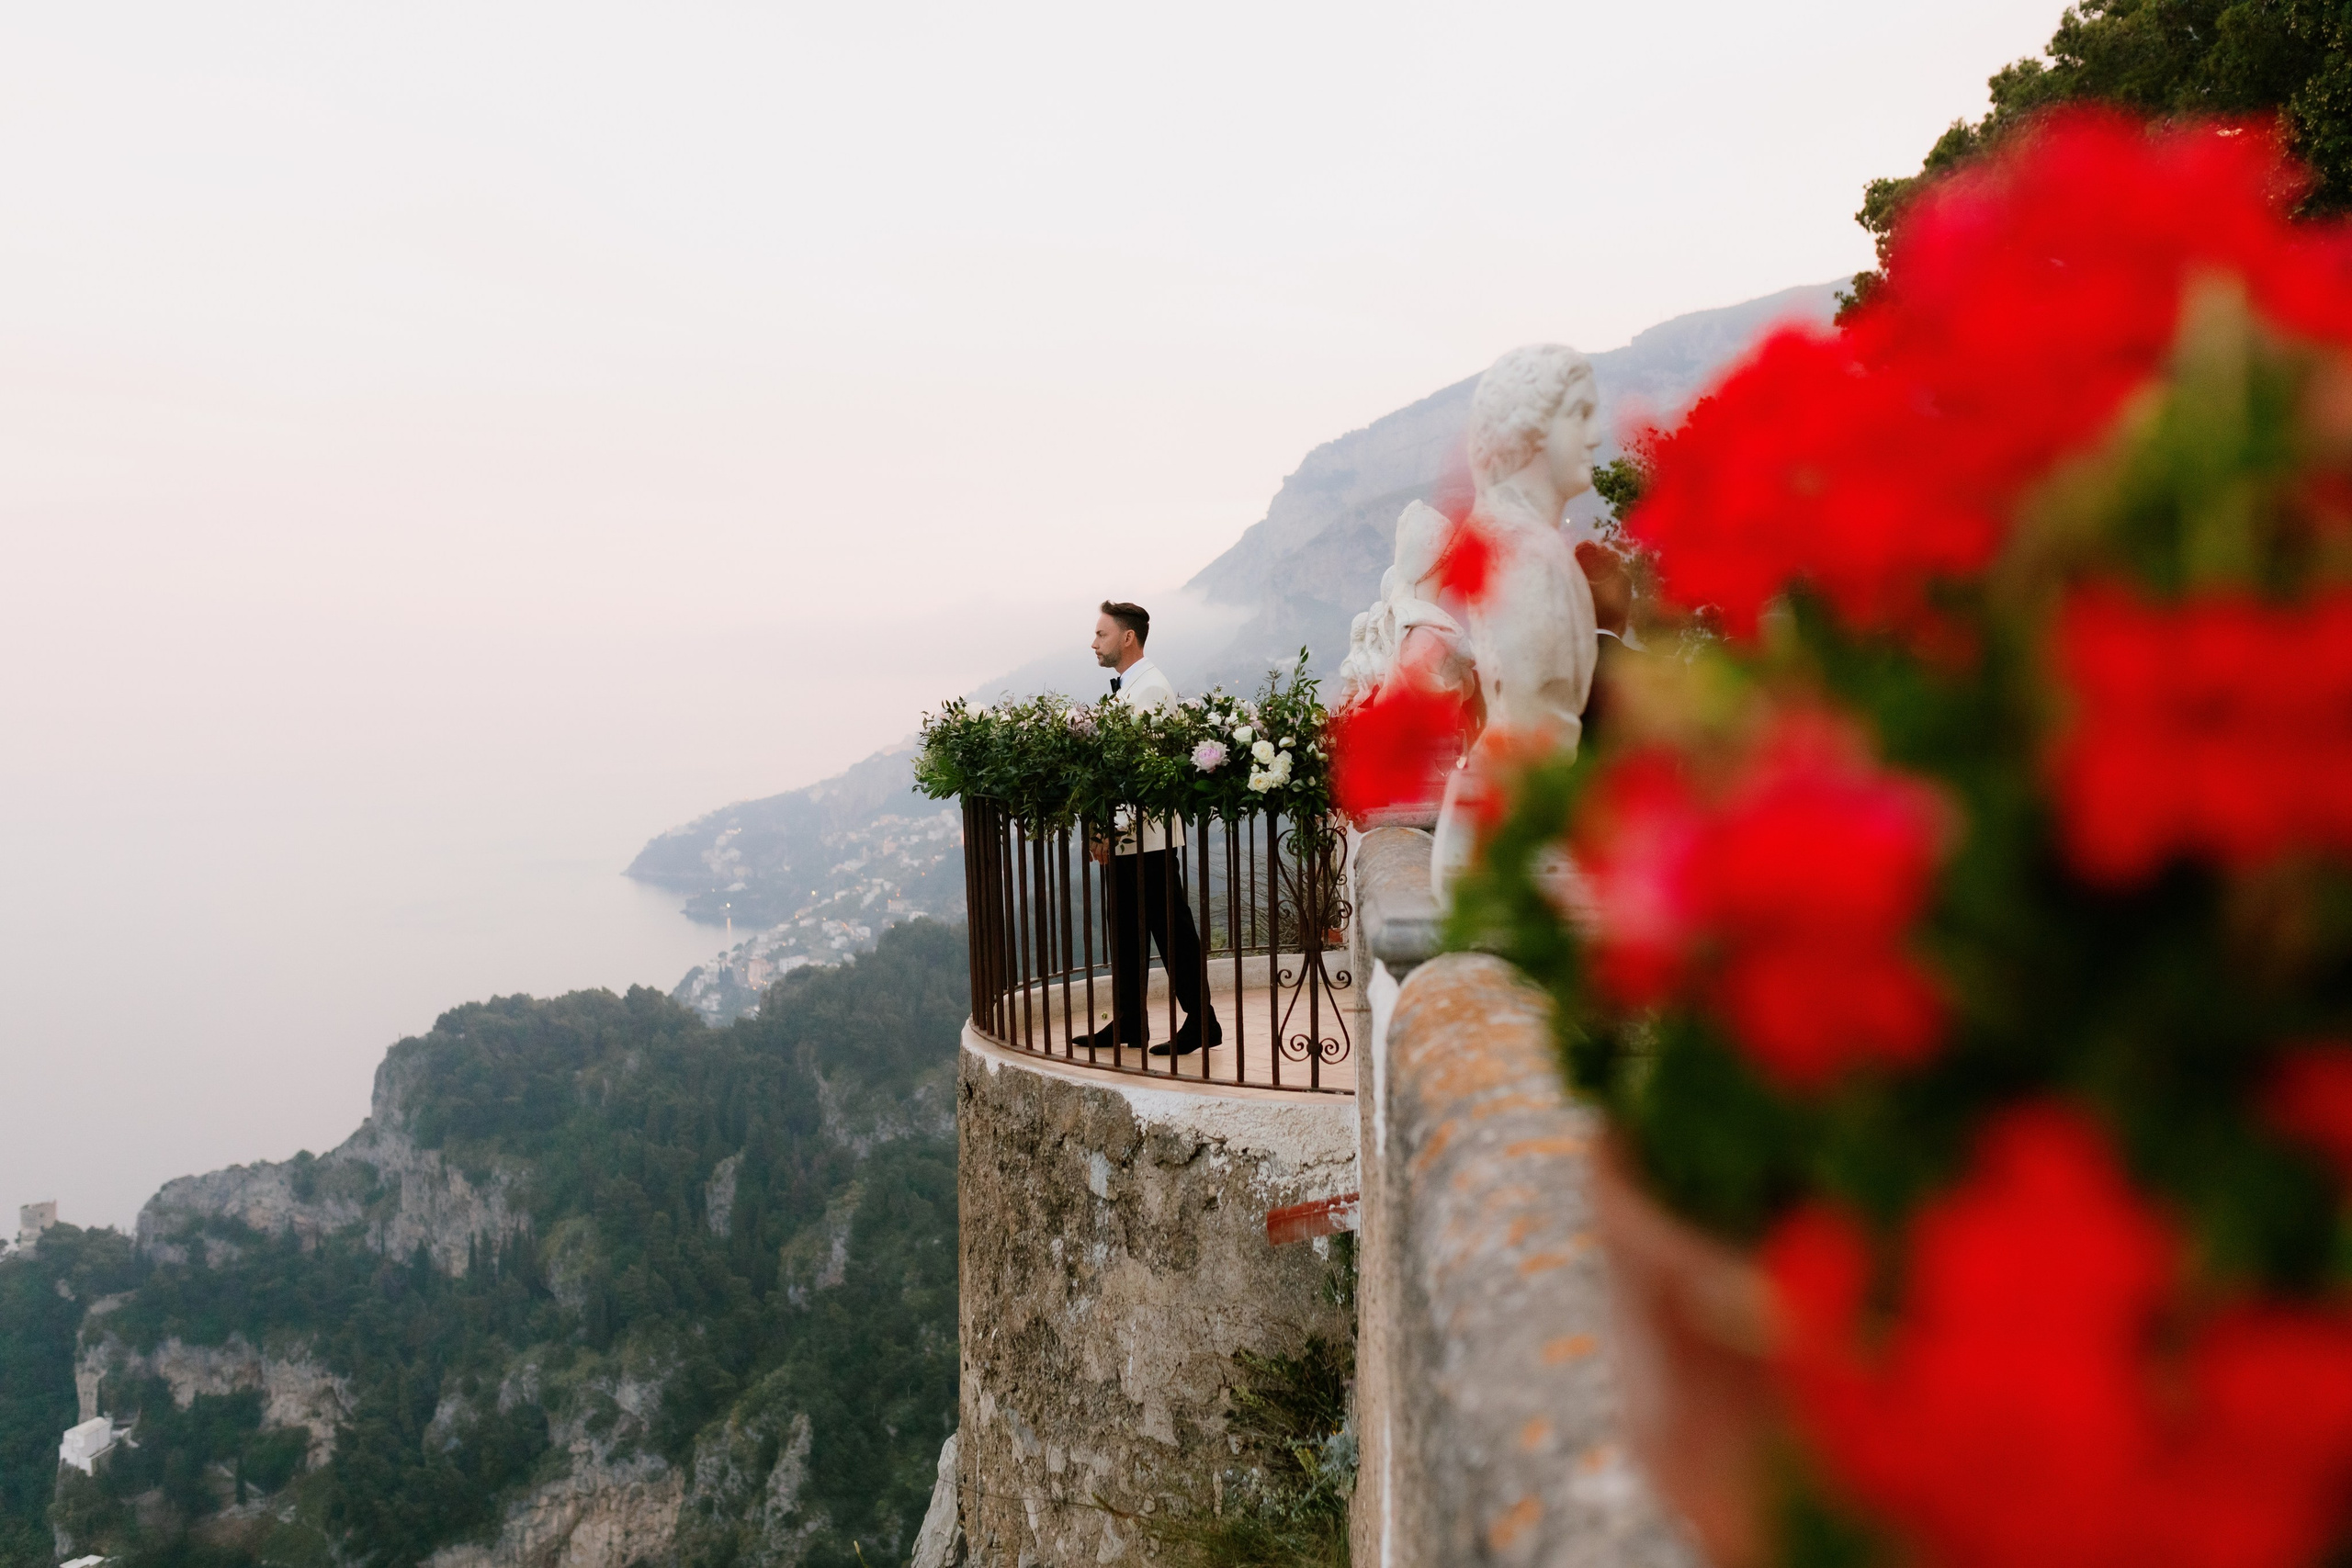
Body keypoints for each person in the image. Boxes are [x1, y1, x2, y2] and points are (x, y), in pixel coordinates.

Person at [1085, 601, 1222, 1056]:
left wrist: (1112, 830)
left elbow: (1145, 773)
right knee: (1126, 931)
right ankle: (1129, 1021)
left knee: (1171, 930)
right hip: (1132, 838)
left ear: (1128, 637)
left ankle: (1202, 1021)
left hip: (1147, 839)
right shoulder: (1131, 688)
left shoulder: (1149, 689)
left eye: (1101, 634)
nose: (1093, 643)